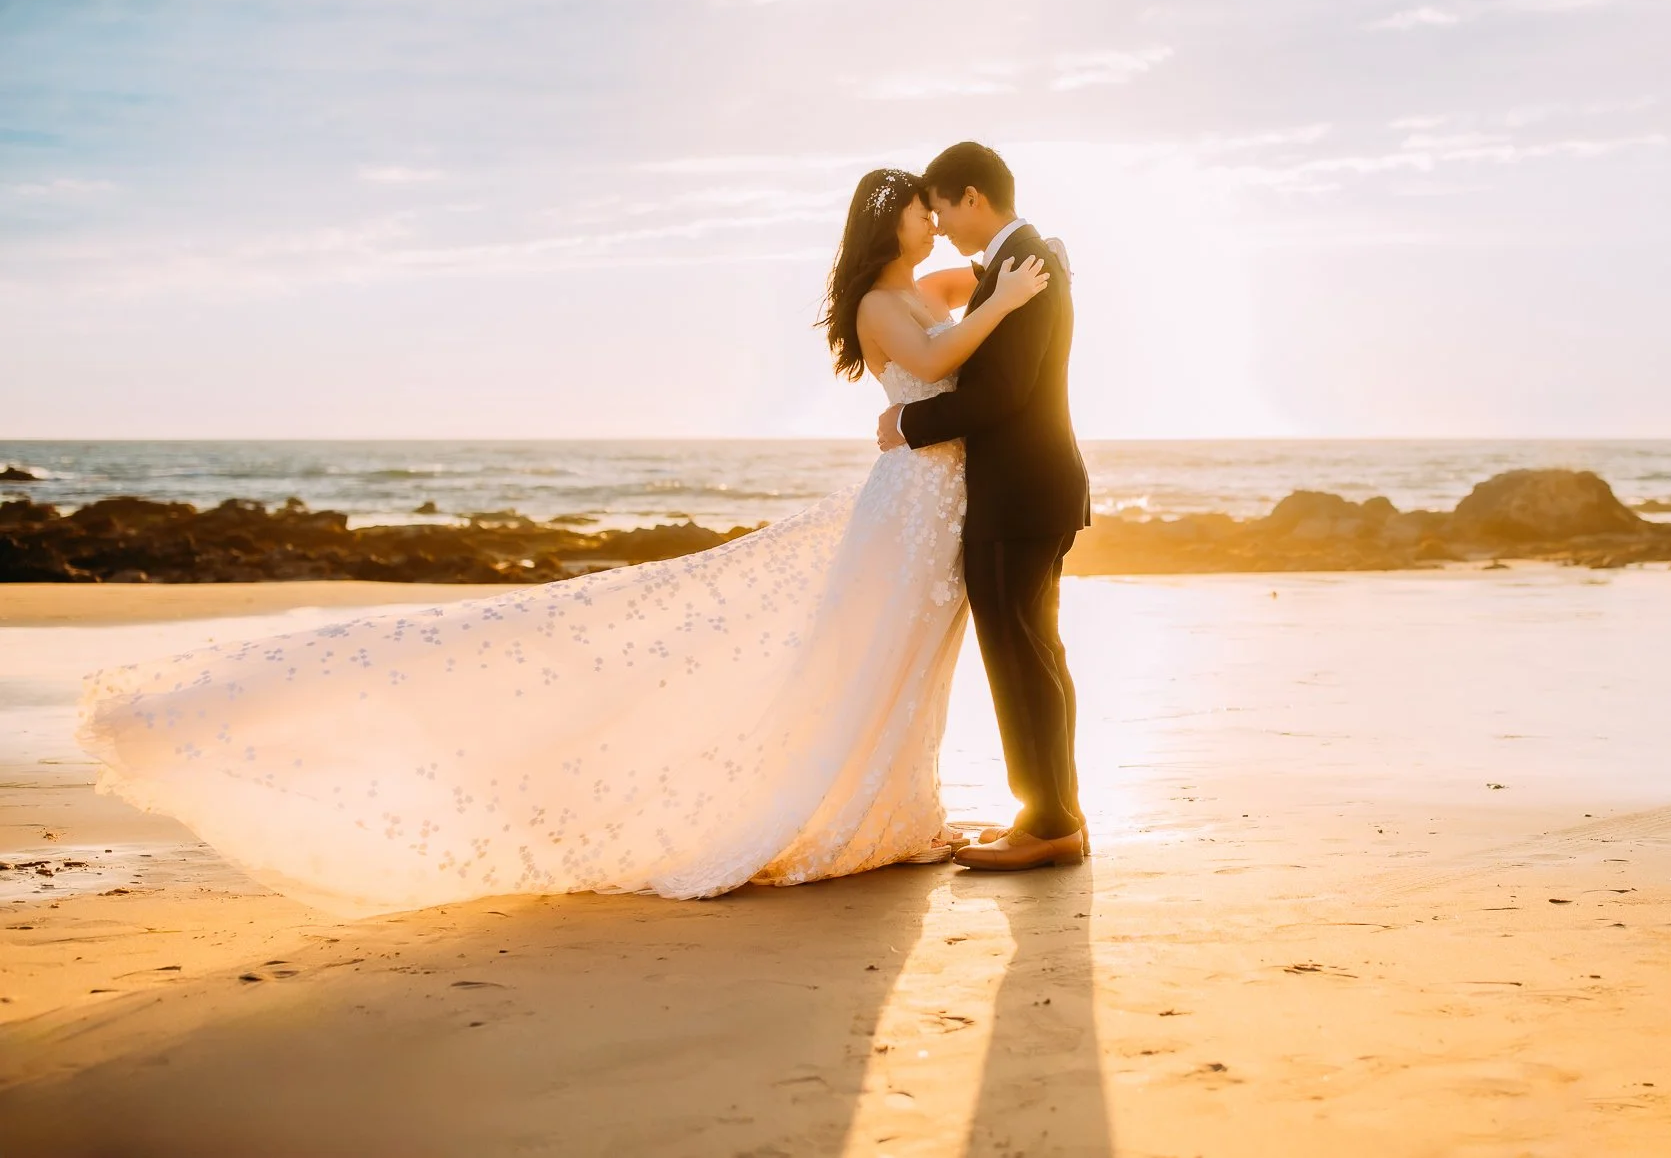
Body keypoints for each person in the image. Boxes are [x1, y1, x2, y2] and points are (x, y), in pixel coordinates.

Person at [75, 166, 1049, 917]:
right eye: (918, 208)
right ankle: (844, 813)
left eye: (936, 207)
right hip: (909, 507)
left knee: (907, 660)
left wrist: (1013, 275)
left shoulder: (923, 285)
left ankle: (894, 810)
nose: (932, 218)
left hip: (936, 501)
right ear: (886, 222)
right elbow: (938, 354)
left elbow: (983, 277)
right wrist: (1002, 306)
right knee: (872, 656)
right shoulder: (883, 305)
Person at [878, 142, 1092, 871]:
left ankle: (1048, 822)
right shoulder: (1020, 261)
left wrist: (907, 424)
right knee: (1038, 651)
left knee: (1018, 655)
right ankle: (1056, 814)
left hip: (1018, 491)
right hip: (1036, 487)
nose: (938, 223)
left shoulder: (1022, 263)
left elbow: (1002, 394)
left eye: (940, 206)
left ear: (972, 197)